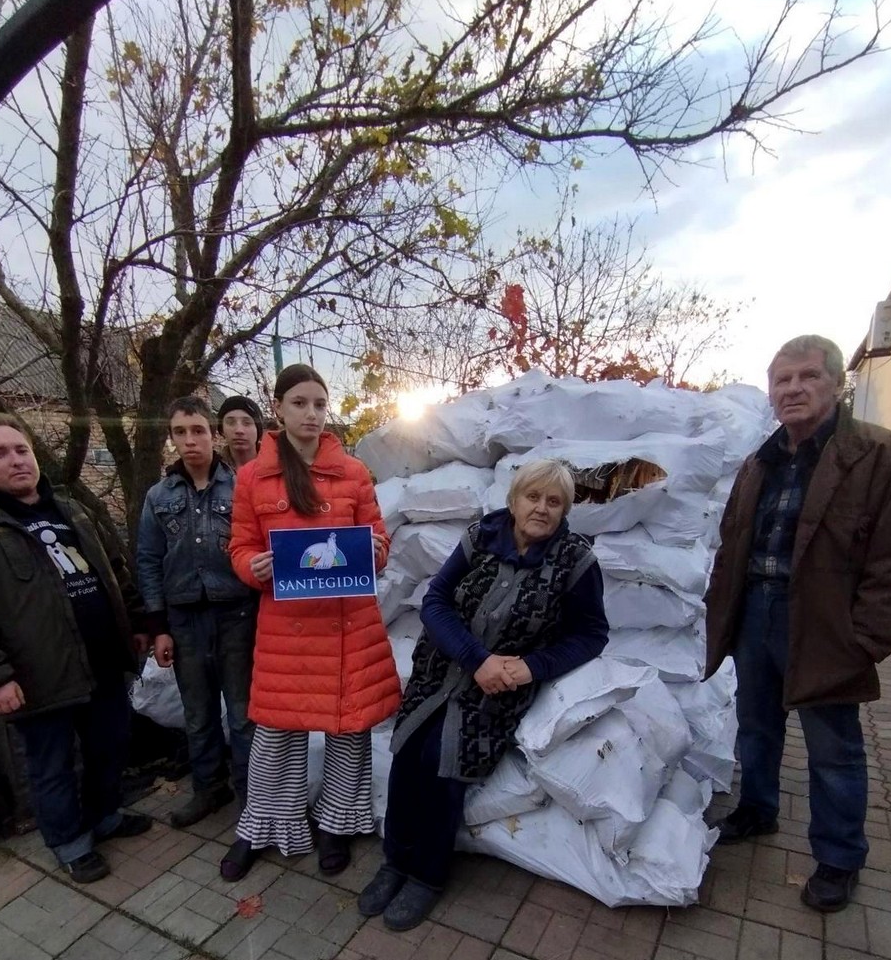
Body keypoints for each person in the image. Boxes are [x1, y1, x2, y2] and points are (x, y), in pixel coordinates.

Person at [704, 335, 891, 912]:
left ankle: (839, 857)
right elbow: (732, 540)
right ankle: (758, 809)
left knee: (833, 747)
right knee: (756, 726)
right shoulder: (760, 462)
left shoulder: (883, 456)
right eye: (782, 380)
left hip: (825, 622)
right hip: (755, 612)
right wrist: (722, 609)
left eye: (808, 376)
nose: (794, 389)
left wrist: (867, 639)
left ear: (837, 383)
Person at [359, 458, 610, 931]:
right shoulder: (481, 537)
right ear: (513, 501)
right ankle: (395, 860)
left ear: (564, 511)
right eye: (532, 497)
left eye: (554, 501)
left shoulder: (575, 561)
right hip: (441, 669)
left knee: (443, 760)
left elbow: (592, 634)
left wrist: (532, 667)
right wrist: (476, 658)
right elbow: (435, 601)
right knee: (408, 749)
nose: (541, 508)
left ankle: (427, 875)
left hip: (499, 690)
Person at [219, 364, 400, 881]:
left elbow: (379, 539)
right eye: (299, 403)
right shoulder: (252, 477)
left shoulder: (354, 472)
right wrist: (251, 567)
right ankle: (262, 826)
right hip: (287, 629)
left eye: (320, 404)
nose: (312, 414)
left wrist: (374, 551)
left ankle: (337, 825)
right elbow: (240, 545)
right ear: (278, 408)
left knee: (347, 730)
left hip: (347, 627)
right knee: (276, 734)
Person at [0, 413, 152, 882]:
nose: (16, 460)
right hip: (36, 674)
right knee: (51, 764)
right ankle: (70, 842)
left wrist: (137, 622)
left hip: (102, 660)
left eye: (21, 449)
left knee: (109, 746)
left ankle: (105, 816)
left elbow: (114, 568)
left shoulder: (68, 507)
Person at [136, 396, 257, 828]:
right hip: (184, 622)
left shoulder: (241, 487)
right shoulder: (158, 496)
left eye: (198, 430)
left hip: (236, 617)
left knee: (242, 715)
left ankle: (251, 797)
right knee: (198, 713)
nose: (190, 440)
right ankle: (209, 788)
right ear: (171, 437)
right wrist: (158, 626)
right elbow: (148, 560)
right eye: (180, 432)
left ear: (213, 434)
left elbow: (259, 550)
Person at [217, 395, 264, 471]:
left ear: (258, 430)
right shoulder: (211, 469)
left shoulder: (278, 465)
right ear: (222, 430)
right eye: (231, 423)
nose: (239, 430)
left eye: (247, 423)